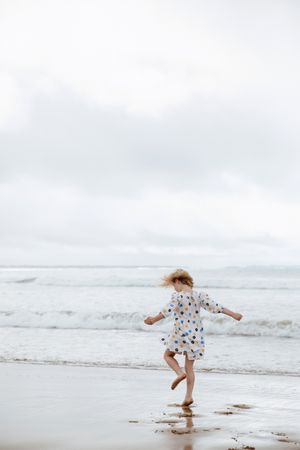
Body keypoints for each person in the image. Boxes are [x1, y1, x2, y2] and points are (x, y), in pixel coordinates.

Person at [144, 269, 243, 406]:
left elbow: (167, 310)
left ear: (178, 281)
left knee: (168, 355)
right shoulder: (200, 295)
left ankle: (179, 373)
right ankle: (188, 396)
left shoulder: (177, 297)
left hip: (180, 332)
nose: (175, 289)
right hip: (196, 336)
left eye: (174, 285)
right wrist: (234, 314)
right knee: (189, 367)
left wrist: (154, 319)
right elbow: (216, 307)